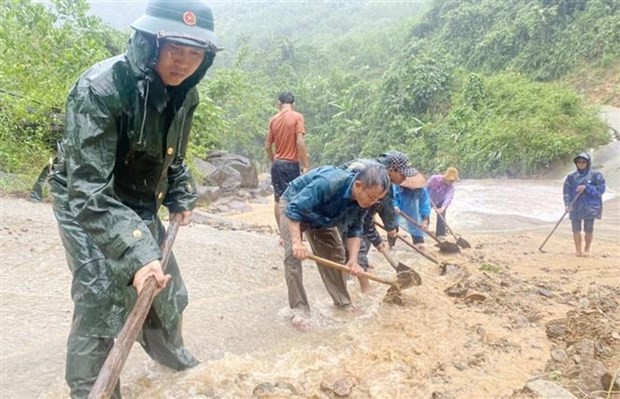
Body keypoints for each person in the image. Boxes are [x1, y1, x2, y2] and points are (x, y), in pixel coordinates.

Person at [47, 1, 220, 397]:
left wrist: (181, 192)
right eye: (174, 49)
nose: (184, 63)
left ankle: (173, 363)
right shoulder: (100, 88)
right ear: (149, 42)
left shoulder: (185, 97)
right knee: (101, 300)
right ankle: (94, 391)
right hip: (86, 200)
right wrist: (137, 254)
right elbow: (88, 189)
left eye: (196, 53)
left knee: (167, 294)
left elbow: (170, 157)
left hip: (139, 200)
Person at [279, 165, 391, 326]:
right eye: (371, 197)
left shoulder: (364, 202)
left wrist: (353, 260)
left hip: (323, 217)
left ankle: (342, 302)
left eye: (377, 199)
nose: (373, 202)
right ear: (358, 185)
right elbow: (295, 209)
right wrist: (297, 242)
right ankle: (299, 310)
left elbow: (355, 229)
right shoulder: (329, 182)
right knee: (293, 256)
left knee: (336, 254)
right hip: (294, 205)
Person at [342, 151, 425, 292]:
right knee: (359, 244)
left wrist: (378, 240)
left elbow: (370, 215)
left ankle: (347, 276)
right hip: (343, 207)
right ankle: (365, 289)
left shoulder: (375, 170)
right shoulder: (380, 180)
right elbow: (368, 217)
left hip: (346, 207)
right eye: (403, 173)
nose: (405, 177)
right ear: (392, 169)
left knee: (352, 245)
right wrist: (387, 231)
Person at [265, 92, 310, 232]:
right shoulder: (297, 117)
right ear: (293, 104)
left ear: (279, 104)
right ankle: (296, 234)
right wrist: (306, 165)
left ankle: (283, 235)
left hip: (278, 163)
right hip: (292, 164)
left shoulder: (273, 120)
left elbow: (267, 146)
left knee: (278, 200)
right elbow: (300, 142)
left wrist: (274, 160)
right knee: (294, 200)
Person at [563, 152, 606, 257]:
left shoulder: (596, 175)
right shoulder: (571, 177)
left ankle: (587, 249)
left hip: (590, 206)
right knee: (575, 228)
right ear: (576, 163)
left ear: (588, 162)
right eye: (579, 162)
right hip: (575, 205)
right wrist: (567, 204)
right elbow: (566, 192)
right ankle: (578, 250)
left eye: (583, 162)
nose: (581, 163)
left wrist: (587, 188)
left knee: (588, 228)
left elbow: (601, 190)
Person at [426, 167, 459, 238]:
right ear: (446, 178)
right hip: (429, 198)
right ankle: (424, 231)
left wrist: (443, 208)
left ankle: (440, 234)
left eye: (453, 181)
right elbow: (426, 187)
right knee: (425, 213)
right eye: (450, 180)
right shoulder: (434, 179)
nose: (451, 182)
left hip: (441, 202)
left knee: (442, 215)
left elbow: (448, 199)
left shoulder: (451, 188)